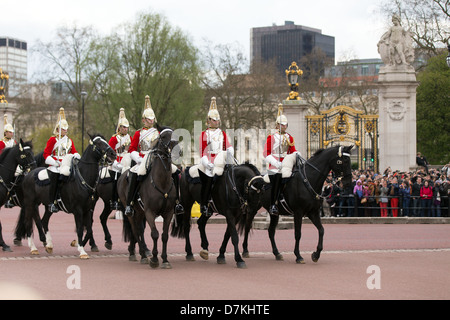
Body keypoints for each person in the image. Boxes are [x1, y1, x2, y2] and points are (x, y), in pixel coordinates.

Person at [124, 95, 184, 217]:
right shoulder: (138, 133)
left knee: (175, 172)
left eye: (152, 119)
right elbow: (131, 149)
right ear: (143, 120)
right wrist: (138, 158)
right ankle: (130, 204)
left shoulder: (159, 133)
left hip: (158, 158)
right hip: (143, 158)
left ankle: (177, 202)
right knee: (136, 173)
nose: (151, 121)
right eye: (148, 119)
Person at [199, 97, 234, 217]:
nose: (217, 122)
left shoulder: (222, 133)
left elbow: (227, 145)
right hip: (210, 162)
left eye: (218, 120)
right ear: (209, 120)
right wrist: (207, 163)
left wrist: (230, 150)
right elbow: (202, 152)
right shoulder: (204, 134)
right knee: (208, 180)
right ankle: (205, 204)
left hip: (221, 161)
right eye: (215, 120)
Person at [263, 104, 297, 216]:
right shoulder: (271, 137)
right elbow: (266, 153)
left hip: (286, 164)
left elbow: (292, 151)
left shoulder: (289, 137)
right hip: (274, 165)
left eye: (285, 124)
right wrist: (275, 162)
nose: (284, 126)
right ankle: (273, 205)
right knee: (277, 178)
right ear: (277, 125)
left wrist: (297, 155)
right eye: (282, 124)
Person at [43, 108, 80, 213]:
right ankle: (52, 202)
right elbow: (46, 154)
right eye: (63, 129)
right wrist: (55, 162)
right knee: (55, 179)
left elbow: (74, 151)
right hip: (56, 164)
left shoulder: (69, 141)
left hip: (66, 164)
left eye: (66, 129)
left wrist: (77, 156)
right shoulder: (53, 140)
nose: (65, 131)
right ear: (58, 129)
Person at [108, 108, 131, 211]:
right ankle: (114, 200)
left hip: (127, 160)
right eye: (124, 127)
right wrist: (116, 163)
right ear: (120, 127)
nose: (125, 129)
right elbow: (110, 153)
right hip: (116, 163)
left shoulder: (129, 137)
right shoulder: (114, 139)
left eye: (127, 127)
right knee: (116, 179)